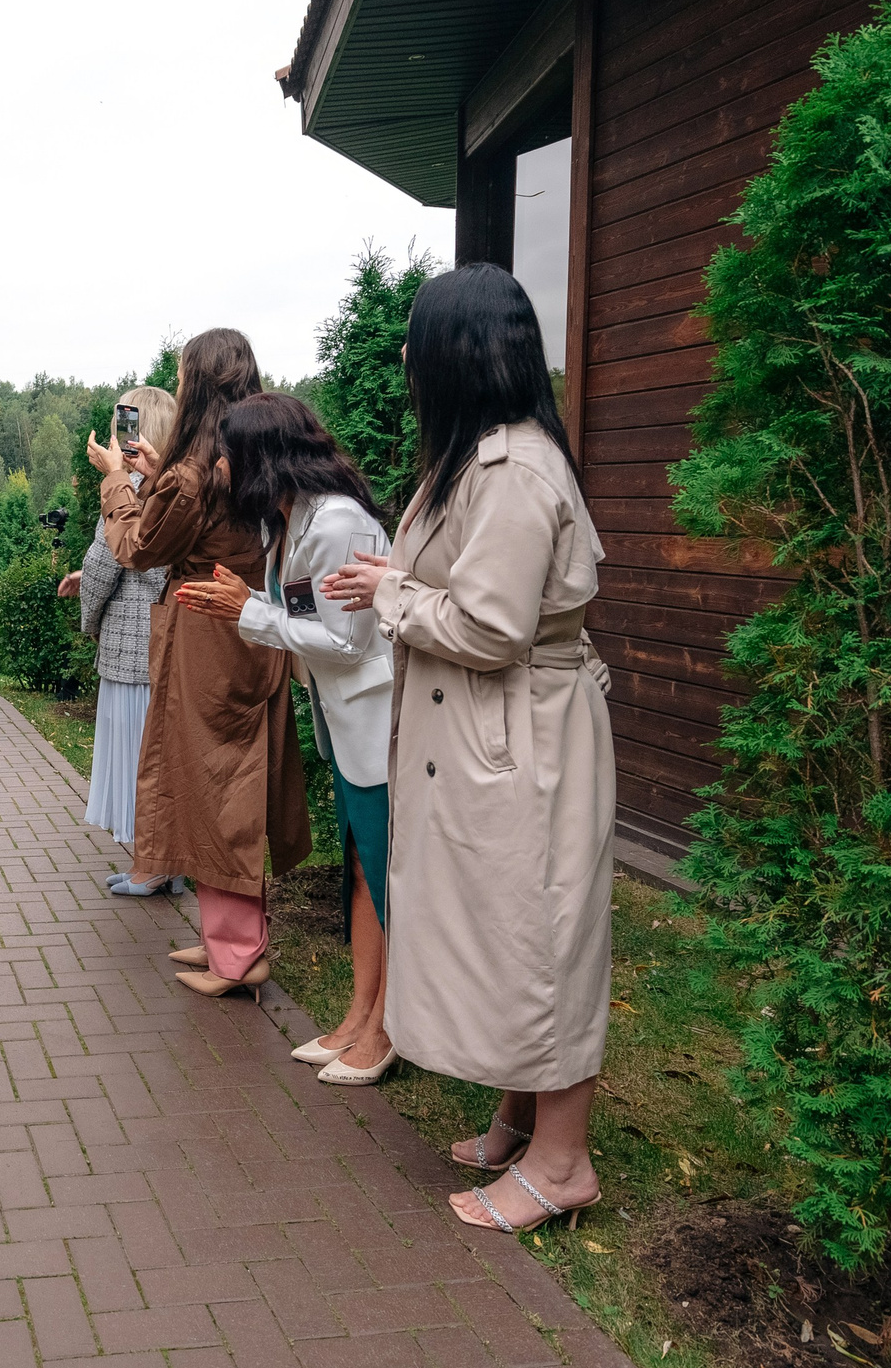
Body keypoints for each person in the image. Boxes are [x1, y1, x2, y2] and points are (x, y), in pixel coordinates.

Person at [322, 262, 614, 1236]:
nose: (406, 359)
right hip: (499, 727)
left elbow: (491, 625)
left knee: (542, 932)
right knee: (506, 922)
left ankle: (562, 1162)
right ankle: (522, 1119)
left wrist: (390, 593)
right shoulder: (482, 457)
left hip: (524, 733)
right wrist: (396, 578)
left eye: (417, 342)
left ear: (458, 355)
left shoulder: (514, 470)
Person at [175, 394, 395, 1084]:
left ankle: (386, 1028)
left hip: (377, 722)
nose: (220, 466)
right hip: (343, 721)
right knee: (359, 869)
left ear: (263, 456)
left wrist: (248, 612)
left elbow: (347, 639)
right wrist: (251, 604)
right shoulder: (289, 520)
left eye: (229, 454)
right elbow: (300, 611)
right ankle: (360, 1016)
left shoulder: (336, 523)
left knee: (384, 877)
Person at [91, 329, 310, 996]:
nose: (180, 385)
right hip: (243, 631)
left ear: (201, 383)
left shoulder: (194, 472)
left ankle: (238, 953)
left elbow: (139, 545)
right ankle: (226, 935)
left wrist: (118, 482)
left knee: (215, 788)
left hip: (208, 639)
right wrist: (161, 473)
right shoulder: (242, 455)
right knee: (215, 781)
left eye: (185, 376)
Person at [57, 382, 177, 893]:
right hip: (164, 641)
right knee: (159, 762)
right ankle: (168, 865)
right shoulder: (173, 484)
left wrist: (90, 615)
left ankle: (150, 866)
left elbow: (111, 560)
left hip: (132, 648)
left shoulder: (131, 487)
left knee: (137, 763)